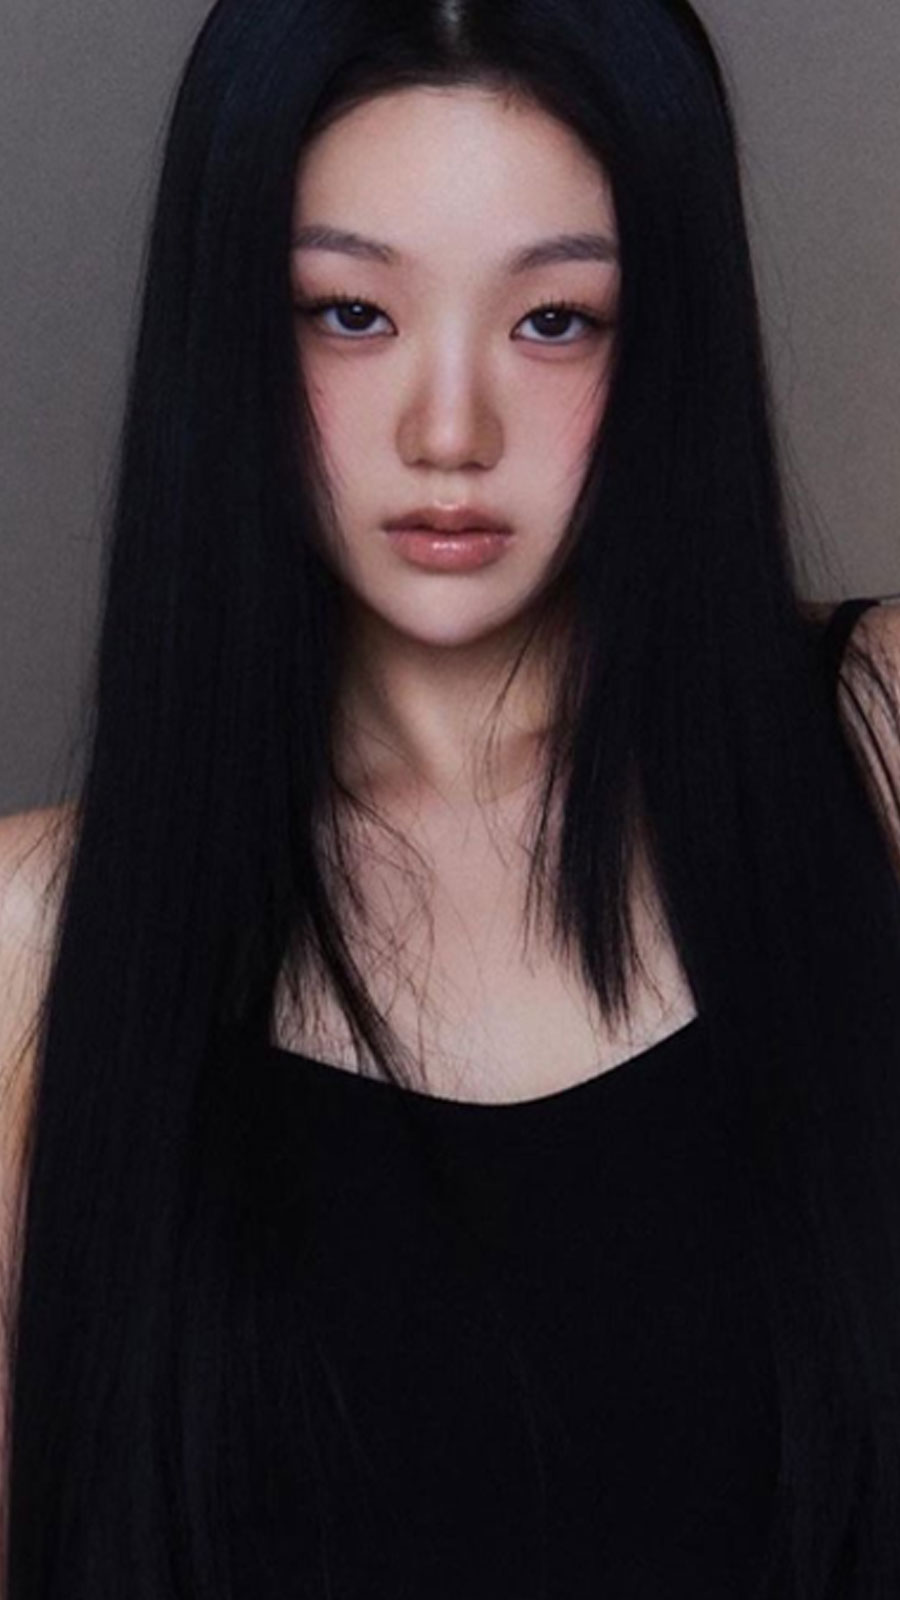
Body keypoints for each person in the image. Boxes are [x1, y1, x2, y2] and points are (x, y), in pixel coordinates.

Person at [1, 0, 899, 1595]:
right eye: (350, 313)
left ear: (667, 337)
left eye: (556, 321)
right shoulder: (32, 947)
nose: (449, 429)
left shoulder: (879, 745)